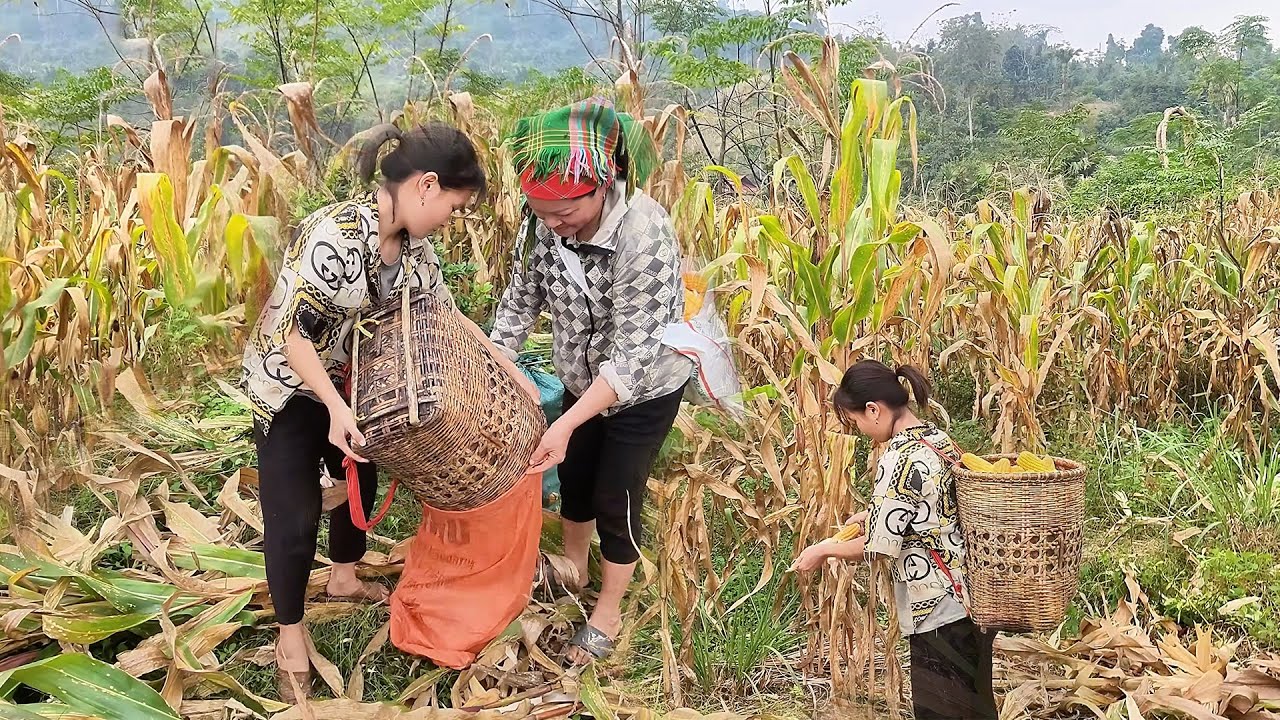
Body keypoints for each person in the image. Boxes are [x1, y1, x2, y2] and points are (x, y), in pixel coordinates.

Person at [241, 121, 535, 701]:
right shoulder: (336, 237)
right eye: (453, 206)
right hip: (292, 386)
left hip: (362, 390)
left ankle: (344, 577)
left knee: (361, 482)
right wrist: (333, 407)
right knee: (294, 513)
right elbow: (292, 334)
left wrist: (509, 369)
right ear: (426, 186)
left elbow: (446, 318)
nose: (451, 220)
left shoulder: (416, 253)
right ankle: (290, 635)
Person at [490, 97, 693, 665]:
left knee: (616, 494)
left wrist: (564, 423)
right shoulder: (542, 225)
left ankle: (608, 609)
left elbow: (632, 360)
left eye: (564, 213)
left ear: (603, 184)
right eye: (541, 213)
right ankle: (574, 569)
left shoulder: (644, 234)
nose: (553, 225)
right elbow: (518, 303)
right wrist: (496, 366)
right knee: (576, 477)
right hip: (581, 378)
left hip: (644, 390)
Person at [792, 360, 996, 720]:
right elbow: (931, 508)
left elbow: (877, 546)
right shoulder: (937, 439)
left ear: (874, 409)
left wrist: (823, 550)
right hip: (971, 598)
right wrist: (873, 514)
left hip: (936, 609)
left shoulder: (898, 458)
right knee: (977, 709)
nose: (861, 430)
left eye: (856, 420)